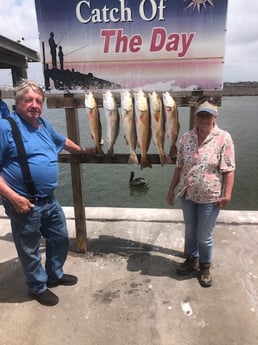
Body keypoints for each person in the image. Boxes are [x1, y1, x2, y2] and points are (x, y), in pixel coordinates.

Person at [0, 80, 94, 306]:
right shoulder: (5, 127)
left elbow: (61, 140)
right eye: (29, 100)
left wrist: (81, 151)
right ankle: (37, 286)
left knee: (60, 237)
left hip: (49, 200)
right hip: (24, 202)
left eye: (38, 101)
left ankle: (55, 274)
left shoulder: (42, 124)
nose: (34, 105)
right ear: (18, 102)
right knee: (29, 247)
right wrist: (14, 198)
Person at [167, 97, 235, 287]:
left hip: (210, 196)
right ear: (195, 117)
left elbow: (229, 170)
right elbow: (179, 166)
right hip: (187, 194)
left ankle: (205, 266)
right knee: (190, 232)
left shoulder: (224, 138)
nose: (204, 119)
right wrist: (171, 189)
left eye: (208, 115)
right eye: (201, 115)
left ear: (215, 117)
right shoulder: (186, 137)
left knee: (204, 235)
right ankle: (192, 259)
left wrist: (227, 195)